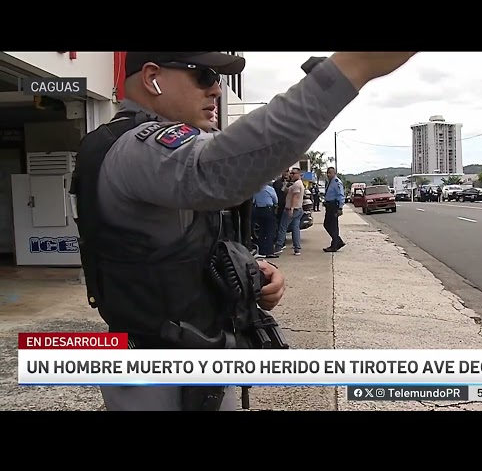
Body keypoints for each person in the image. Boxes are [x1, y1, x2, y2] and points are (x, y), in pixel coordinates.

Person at [71, 51, 418, 411]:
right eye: (204, 76)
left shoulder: (146, 151)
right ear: (151, 78)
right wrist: (351, 68)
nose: (216, 90)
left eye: (219, 79)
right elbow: (223, 171)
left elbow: (177, 246)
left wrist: (249, 272)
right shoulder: (139, 148)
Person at [274, 167, 305, 256]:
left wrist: (291, 208)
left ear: (298, 175)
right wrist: (286, 183)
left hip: (292, 209)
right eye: (291, 173)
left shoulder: (297, 185)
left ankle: (279, 246)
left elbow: (295, 197)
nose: (291, 175)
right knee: (295, 228)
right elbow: (284, 191)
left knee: (283, 227)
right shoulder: (295, 184)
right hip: (298, 209)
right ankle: (297, 248)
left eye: (293, 173)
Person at [252, 183, 279, 258]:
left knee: (261, 231)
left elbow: (253, 200)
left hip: (258, 210)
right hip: (268, 210)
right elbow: (275, 200)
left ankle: (261, 251)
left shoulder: (255, 189)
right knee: (270, 231)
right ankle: (269, 251)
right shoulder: (269, 189)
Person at [323, 166, 345, 252]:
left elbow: (341, 195)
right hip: (329, 205)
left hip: (334, 206)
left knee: (332, 225)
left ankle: (335, 244)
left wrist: (340, 208)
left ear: (334, 173)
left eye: (330, 173)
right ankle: (337, 242)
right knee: (328, 225)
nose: (328, 174)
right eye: (327, 173)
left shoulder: (336, 182)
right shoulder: (330, 182)